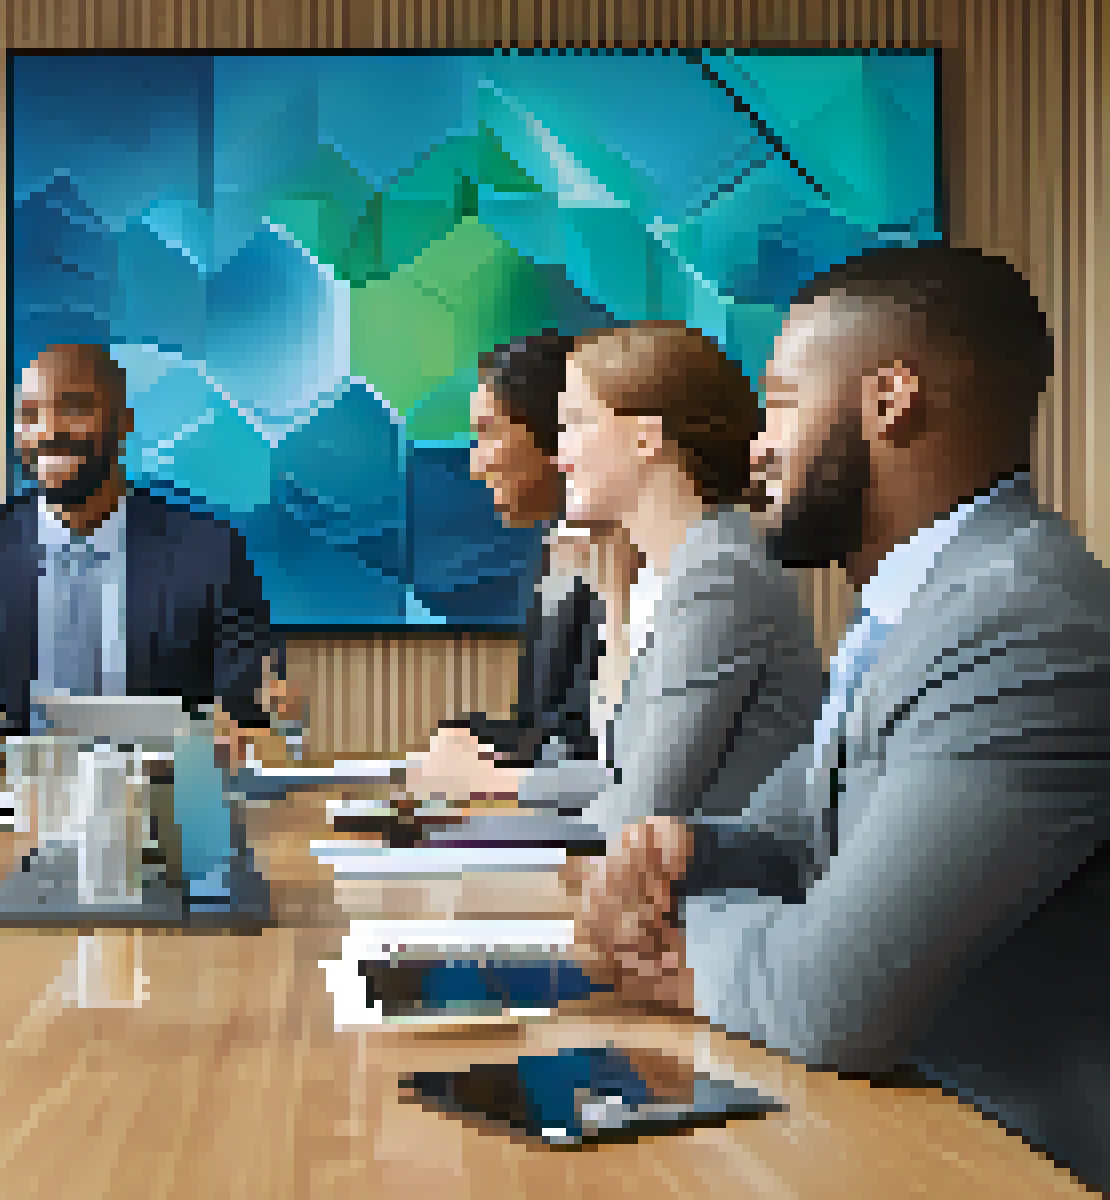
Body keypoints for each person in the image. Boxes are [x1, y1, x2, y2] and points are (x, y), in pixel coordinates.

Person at [576, 246, 1110, 1188]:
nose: (756, 448)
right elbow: (791, 835)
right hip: (876, 1120)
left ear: (889, 400)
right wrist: (682, 852)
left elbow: (833, 999)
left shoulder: (1021, 621)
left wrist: (674, 943)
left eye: (781, 401)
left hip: (997, 1157)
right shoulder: (917, 604)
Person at [406, 322, 824, 832]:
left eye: (576, 424)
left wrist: (490, 782)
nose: (559, 457)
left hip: (706, 901)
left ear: (647, 438)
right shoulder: (676, 568)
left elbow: (633, 811)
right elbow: (617, 774)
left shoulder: (718, 574)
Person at [0, 343, 276, 767]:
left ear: (124, 423)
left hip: (160, 808)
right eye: (29, 415)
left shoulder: (211, 552)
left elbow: (250, 704)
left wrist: (244, 728)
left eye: (74, 408)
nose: (47, 432)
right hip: (2, 807)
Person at [427, 332, 609, 770]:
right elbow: (544, 723)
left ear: (556, 433)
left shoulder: (629, 554)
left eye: (488, 434)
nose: (475, 465)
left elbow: (593, 744)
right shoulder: (560, 542)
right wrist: (468, 733)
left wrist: (480, 747)